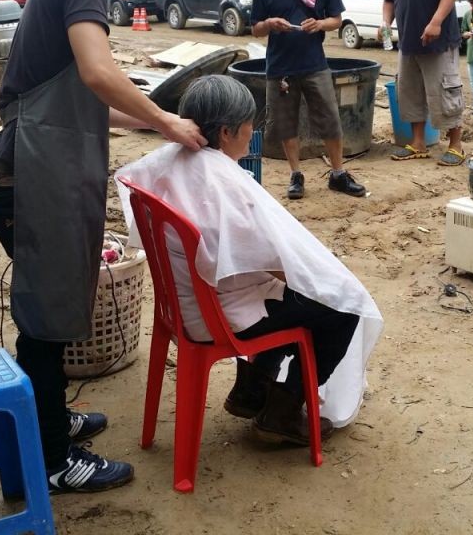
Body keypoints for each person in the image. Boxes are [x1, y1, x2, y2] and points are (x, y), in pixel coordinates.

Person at [0, 0, 206, 494]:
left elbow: (95, 104)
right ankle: (54, 457)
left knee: (51, 310)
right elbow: (99, 76)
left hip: (38, 168)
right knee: (47, 318)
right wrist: (165, 121)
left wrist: (160, 118)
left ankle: (49, 412)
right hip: (32, 176)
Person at [117, 75, 382, 444]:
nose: (250, 132)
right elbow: (275, 263)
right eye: (248, 125)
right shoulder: (223, 183)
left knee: (294, 295)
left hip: (182, 307)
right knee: (341, 308)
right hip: (219, 318)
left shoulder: (163, 163)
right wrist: (323, 278)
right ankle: (284, 410)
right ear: (227, 132)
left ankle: (251, 389)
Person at [250, 0, 366, 200]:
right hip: (280, 67)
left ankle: (338, 174)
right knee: (286, 123)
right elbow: (255, 28)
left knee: (330, 119)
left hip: (315, 64)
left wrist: (320, 24)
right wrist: (269, 23)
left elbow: (336, 20)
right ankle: (295, 174)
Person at [372, 0, 465, 166]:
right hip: (408, 43)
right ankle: (418, 143)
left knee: (445, 91)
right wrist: (385, 22)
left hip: (439, 42)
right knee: (409, 93)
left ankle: (456, 145)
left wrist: (435, 22)